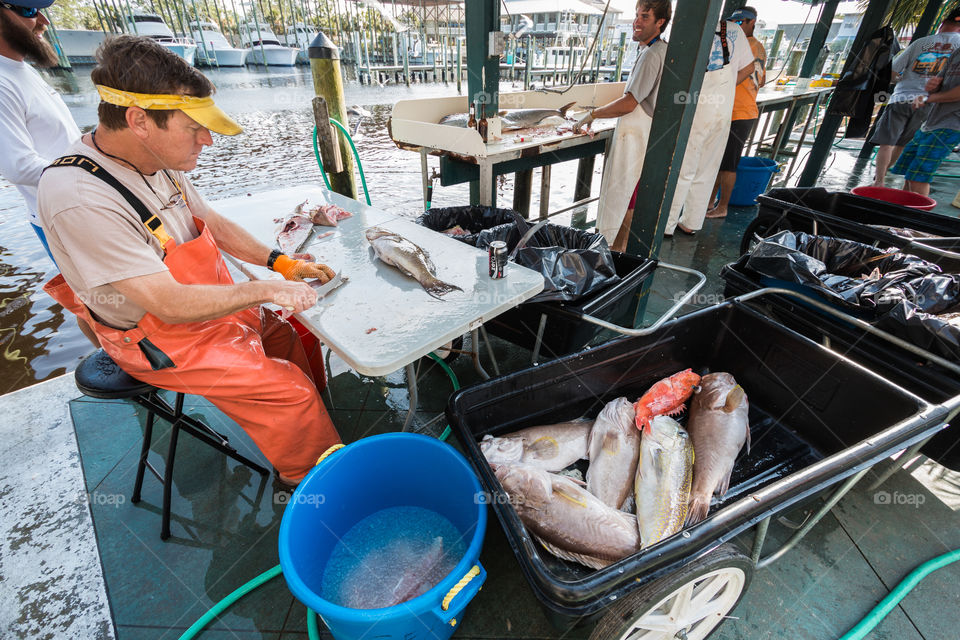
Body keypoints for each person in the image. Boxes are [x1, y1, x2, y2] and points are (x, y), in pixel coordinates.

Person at [38, 36, 341, 487]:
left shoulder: (159, 156)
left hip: (214, 308)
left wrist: (282, 264)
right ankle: (312, 482)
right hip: (159, 338)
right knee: (288, 391)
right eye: (195, 126)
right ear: (138, 120)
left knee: (295, 336)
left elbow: (211, 223)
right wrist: (268, 289)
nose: (208, 139)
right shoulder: (79, 197)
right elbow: (168, 304)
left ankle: (315, 434)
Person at [574, 0, 670, 252]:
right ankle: (619, 249)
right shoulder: (661, 50)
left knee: (623, 195)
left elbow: (629, 103)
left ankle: (614, 251)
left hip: (638, 136)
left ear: (660, 22)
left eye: (645, 17)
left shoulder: (651, 54)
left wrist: (591, 115)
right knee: (631, 197)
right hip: (648, 134)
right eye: (636, 15)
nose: (637, 21)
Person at [0, 0, 80, 263]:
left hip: (79, 207)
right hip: (62, 219)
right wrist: (96, 174)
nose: (43, 21)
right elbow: (18, 166)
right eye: (28, 11)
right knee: (102, 302)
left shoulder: (20, 69)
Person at [665, 17, 755, 236]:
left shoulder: (685, 26)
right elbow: (749, 67)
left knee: (682, 167)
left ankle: (666, 225)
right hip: (722, 107)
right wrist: (726, 86)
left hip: (697, 106)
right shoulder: (732, 29)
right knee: (708, 167)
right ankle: (691, 222)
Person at [869, 10, 960, 187]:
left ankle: (878, 181)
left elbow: (893, 71)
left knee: (887, 142)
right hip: (930, 104)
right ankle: (901, 186)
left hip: (902, 97)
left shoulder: (921, 42)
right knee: (905, 144)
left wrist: (903, 79)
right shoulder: (957, 48)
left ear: (942, 23)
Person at [705, 6, 766, 220]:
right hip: (736, 110)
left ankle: (722, 206)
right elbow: (762, 80)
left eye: (741, 23)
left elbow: (735, 76)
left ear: (752, 23)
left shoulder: (740, 45)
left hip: (738, 112)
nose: (737, 27)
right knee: (717, 161)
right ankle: (708, 202)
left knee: (728, 164)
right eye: (734, 22)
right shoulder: (759, 47)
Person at [890, 39, 960, 197]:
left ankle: (915, 217)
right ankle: (902, 210)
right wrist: (932, 88)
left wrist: (929, 99)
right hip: (932, 122)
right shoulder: (956, 54)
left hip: (952, 124)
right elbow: (936, 85)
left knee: (920, 174)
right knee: (909, 169)